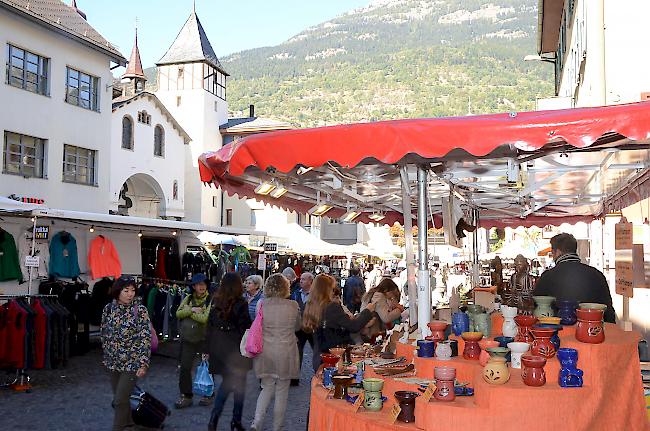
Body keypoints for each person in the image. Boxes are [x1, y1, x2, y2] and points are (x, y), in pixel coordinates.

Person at [251, 274, 302, 431]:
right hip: (286, 351)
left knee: (266, 387)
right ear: (286, 287)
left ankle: (257, 421)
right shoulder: (293, 305)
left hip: (266, 351)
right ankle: (277, 427)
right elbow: (298, 327)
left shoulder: (261, 304)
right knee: (282, 391)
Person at [100, 276, 151, 431]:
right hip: (113, 362)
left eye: (133, 290)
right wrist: (106, 356)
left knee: (120, 399)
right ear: (118, 291)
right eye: (126, 290)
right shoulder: (108, 309)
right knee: (122, 399)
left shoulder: (139, 310)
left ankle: (118, 428)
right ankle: (130, 425)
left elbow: (145, 337)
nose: (130, 294)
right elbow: (104, 333)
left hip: (132, 362)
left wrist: (143, 363)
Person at [533, 233, 616, 323]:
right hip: (593, 331)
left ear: (558, 252)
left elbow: (536, 306)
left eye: (552, 252)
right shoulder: (597, 274)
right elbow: (609, 312)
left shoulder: (547, 277)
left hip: (557, 332)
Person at [303, 274, 375, 372]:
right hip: (335, 356)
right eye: (332, 288)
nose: (334, 291)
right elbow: (353, 326)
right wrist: (368, 311)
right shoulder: (332, 307)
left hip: (320, 356)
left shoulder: (310, 306)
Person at [207, 273, 251, 431]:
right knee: (238, 387)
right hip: (235, 350)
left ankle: (216, 418)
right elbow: (245, 327)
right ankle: (234, 420)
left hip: (218, 347)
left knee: (227, 383)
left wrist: (207, 349)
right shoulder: (241, 303)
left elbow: (209, 326)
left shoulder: (216, 301)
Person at [175, 273, 212, 409]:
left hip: (204, 339)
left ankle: (208, 394)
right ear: (194, 286)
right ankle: (186, 395)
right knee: (185, 367)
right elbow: (178, 313)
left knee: (207, 368)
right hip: (188, 338)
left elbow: (205, 318)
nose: (201, 286)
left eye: (203, 284)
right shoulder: (188, 298)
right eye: (198, 284)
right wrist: (193, 309)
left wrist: (188, 311)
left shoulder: (210, 299)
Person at [289, 272, 314, 386]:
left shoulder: (315, 295)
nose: (301, 281)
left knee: (317, 350)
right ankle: (294, 377)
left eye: (304, 279)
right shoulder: (295, 294)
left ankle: (320, 375)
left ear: (310, 281)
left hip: (312, 327)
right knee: (296, 352)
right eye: (301, 279)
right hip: (299, 328)